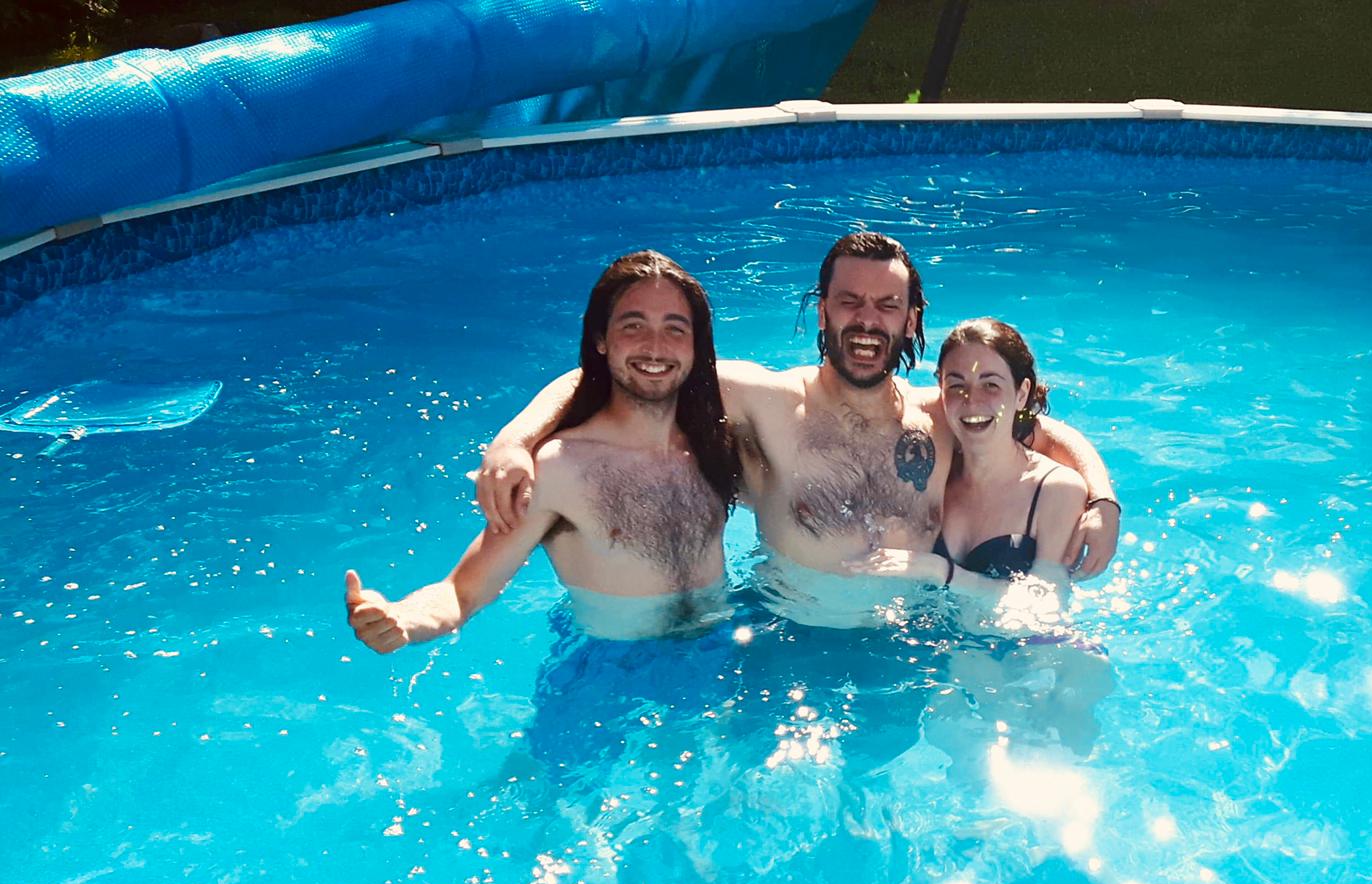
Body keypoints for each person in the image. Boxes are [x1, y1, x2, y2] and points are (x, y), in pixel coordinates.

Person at [473, 232, 1121, 583]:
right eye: (849, 301)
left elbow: (1037, 427)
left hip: (909, 649)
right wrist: (513, 441)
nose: (867, 320)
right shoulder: (765, 399)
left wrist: (1101, 499)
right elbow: (633, 368)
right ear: (822, 311)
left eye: (886, 305)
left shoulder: (941, 411)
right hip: (789, 653)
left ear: (910, 320)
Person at [343, 250, 739, 653]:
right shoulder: (560, 468)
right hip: (615, 673)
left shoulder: (716, 443)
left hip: (723, 646)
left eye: (675, 329)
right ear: (601, 339)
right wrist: (404, 620)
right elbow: (463, 592)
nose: (655, 348)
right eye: (633, 326)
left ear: (696, 346)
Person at [847, 318, 1092, 596]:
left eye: (990, 385)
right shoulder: (931, 474)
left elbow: (1044, 607)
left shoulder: (1057, 491)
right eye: (956, 385)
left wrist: (941, 572)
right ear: (939, 389)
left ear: (1021, 393)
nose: (971, 401)